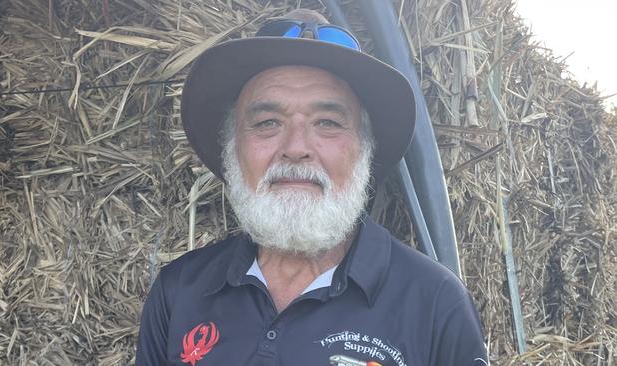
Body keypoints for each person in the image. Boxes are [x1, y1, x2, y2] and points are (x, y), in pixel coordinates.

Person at [137, 9, 488, 366]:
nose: (295, 147)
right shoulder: (178, 292)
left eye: (327, 123)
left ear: (364, 149)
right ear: (233, 148)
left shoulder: (436, 304)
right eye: (268, 122)